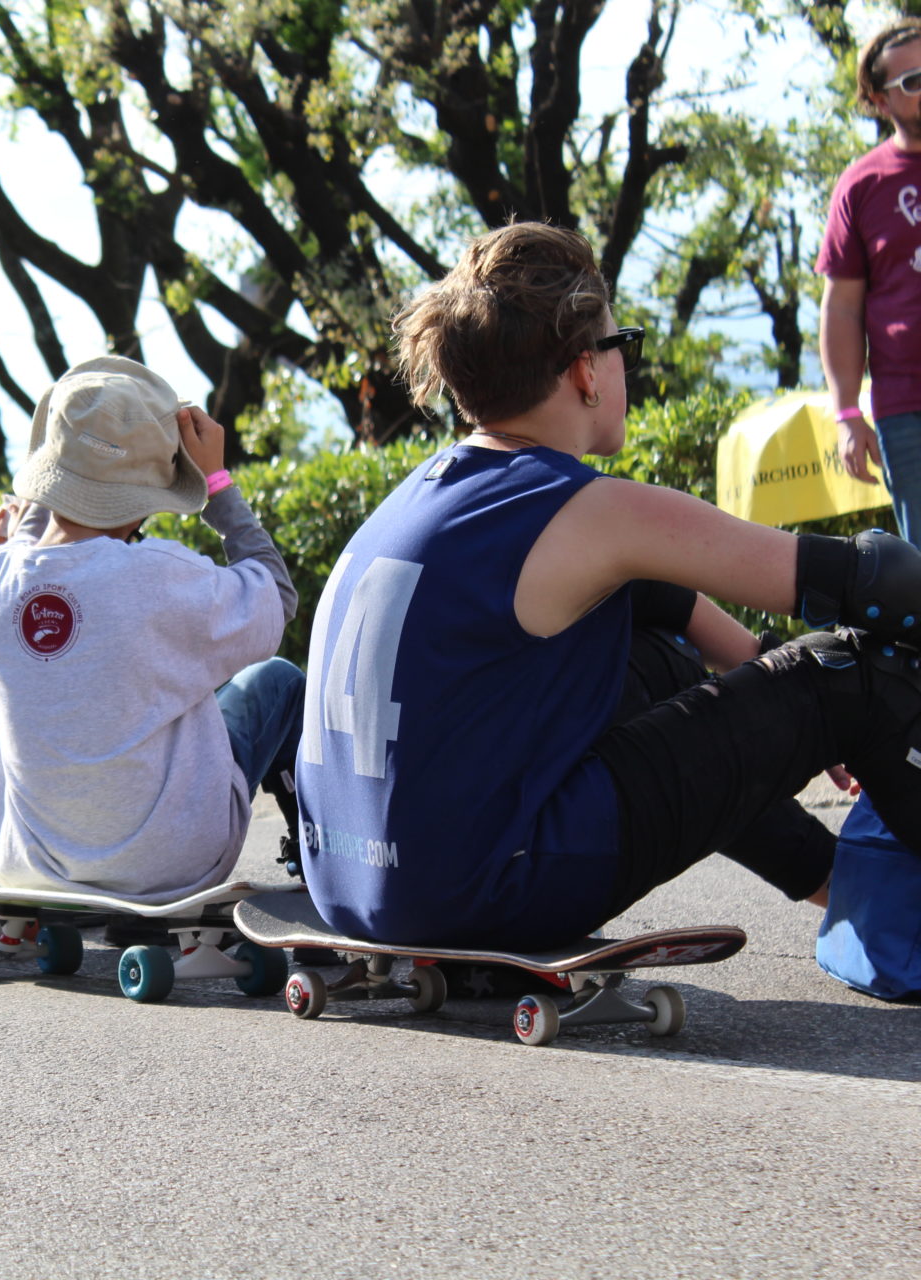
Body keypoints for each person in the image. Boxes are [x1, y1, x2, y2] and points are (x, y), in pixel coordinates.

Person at [296, 221, 921, 951]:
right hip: (495, 886)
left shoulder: (416, 502)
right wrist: (818, 705)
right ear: (586, 369)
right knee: (853, 677)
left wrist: (763, 679)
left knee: (649, 662)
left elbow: (658, 597)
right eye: (623, 345)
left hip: (355, 885)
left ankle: (843, 887)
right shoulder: (584, 507)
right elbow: (874, 581)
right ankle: (889, 908)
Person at [0, 356, 306, 904]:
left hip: (32, 861)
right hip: (169, 863)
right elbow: (277, 595)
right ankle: (312, 862)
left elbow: (26, 544)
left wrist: (53, 483)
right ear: (146, 500)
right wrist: (218, 487)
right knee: (277, 680)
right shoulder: (162, 577)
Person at [819, 18, 921, 543]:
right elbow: (841, 309)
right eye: (912, 82)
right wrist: (847, 413)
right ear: (880, 101)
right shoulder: (862, 185)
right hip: (908, 407)